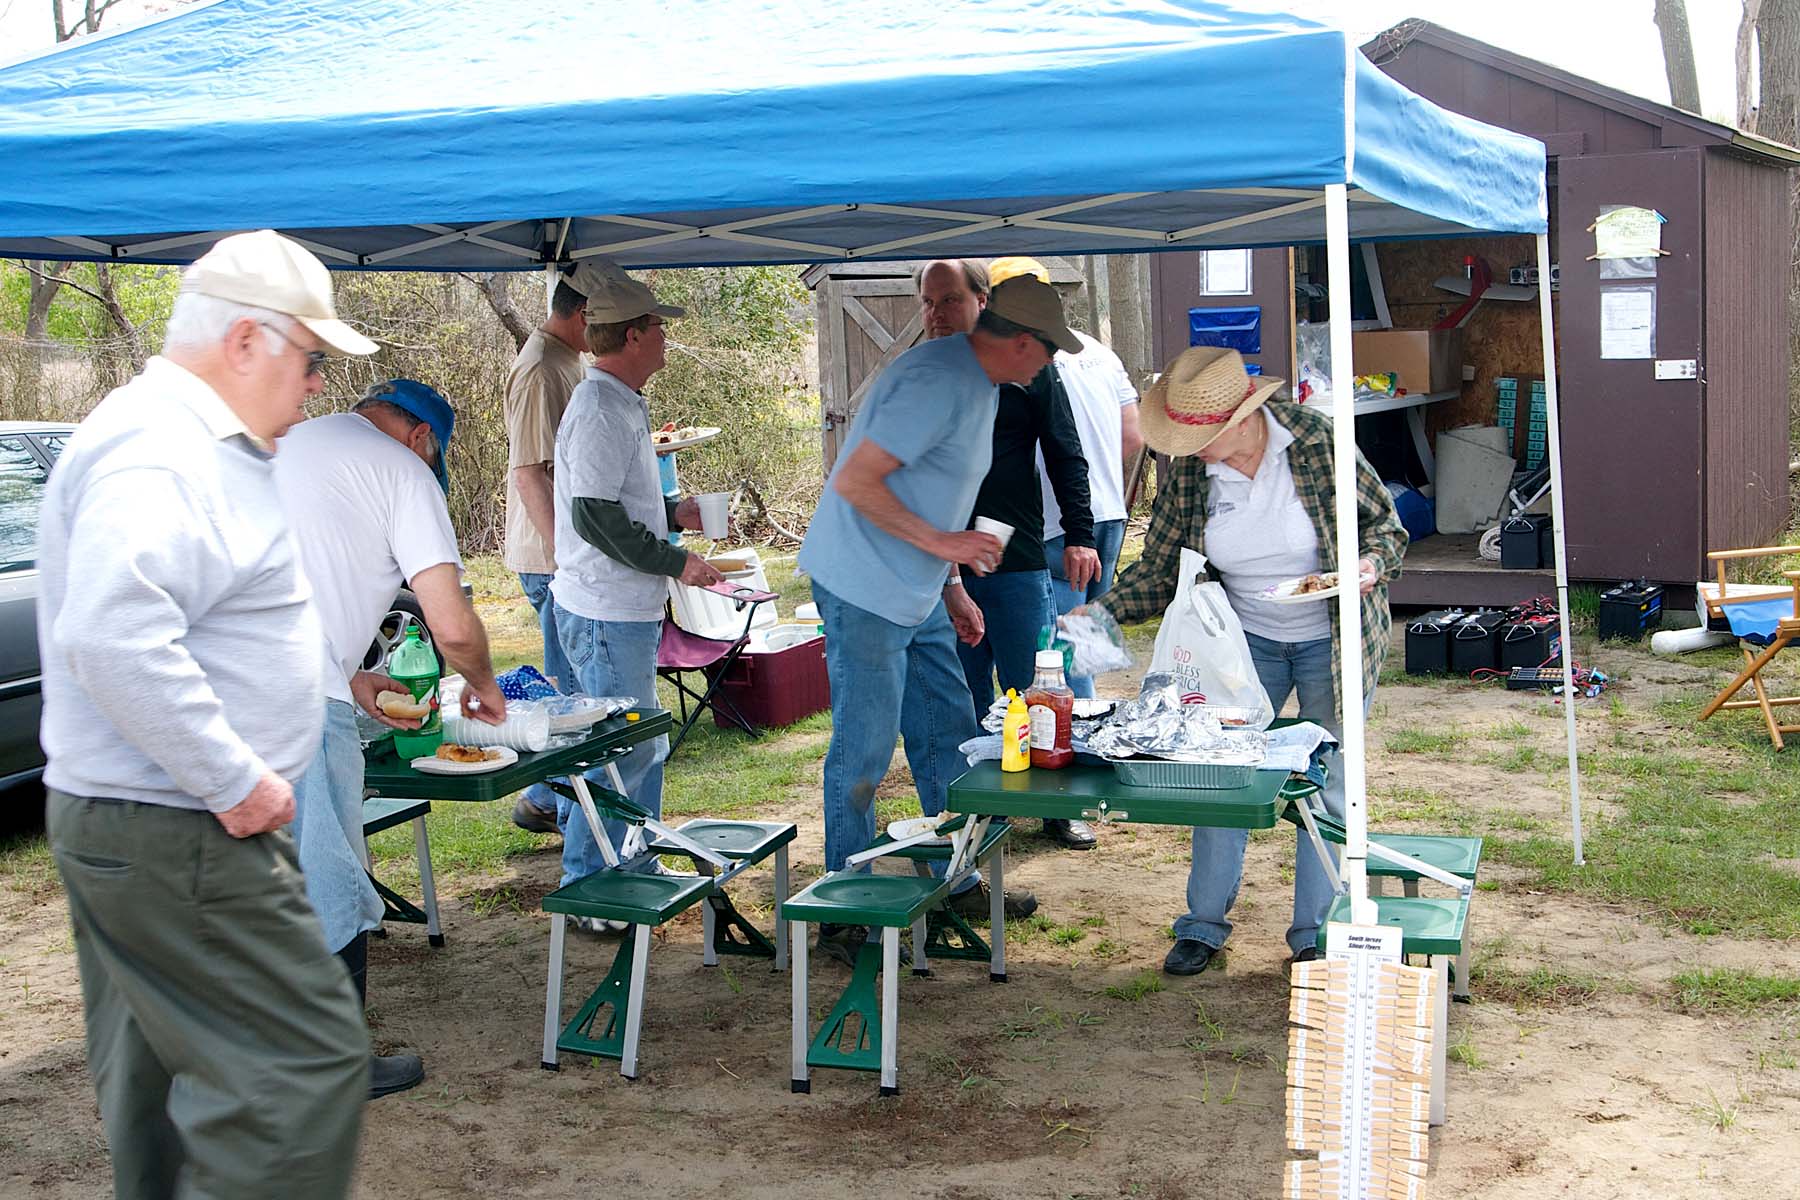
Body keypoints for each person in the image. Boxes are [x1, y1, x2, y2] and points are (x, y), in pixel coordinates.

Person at [36, 229, 374, 1199]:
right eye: (309, 358)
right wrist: (235, 781)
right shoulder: (163, 450)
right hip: (179, 826)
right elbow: (113, 635)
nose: (316, 384)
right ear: (245, 341)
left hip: (135, 821)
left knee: (153, 1080)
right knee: (300, 1067)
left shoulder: (177, 438)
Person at [1090, 346, 1407, 977]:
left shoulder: (1317, 441)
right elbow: (1159, 567)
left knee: (1327, 783)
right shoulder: (1192, 473)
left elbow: (1386, 529)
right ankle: (1202, 925)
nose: (1191, 449)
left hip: (1332, 636)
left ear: (1243, 419)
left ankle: (1315, 933)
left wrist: (1369, 566)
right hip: (1240, 641)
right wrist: (1099, 614)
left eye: (1200, 436)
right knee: (1218, 772)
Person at [797, 273, 1085, 964]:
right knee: (864, 752)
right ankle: (845, 906)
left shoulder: (982, 382)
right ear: (1021, 341)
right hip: (864, 586)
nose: (1049, 366)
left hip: (917, 586)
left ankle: (954, 878)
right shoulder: (935, 380)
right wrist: (944, 544)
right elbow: (856, 480)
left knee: (949, 735)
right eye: (1048, 351)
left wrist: (950, 584)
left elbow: (933, 490)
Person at [275, 378, 509, 1098]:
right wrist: (483, 683)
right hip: (290, 701)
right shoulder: (402, 469)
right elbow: (452, 624)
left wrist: (351, 676)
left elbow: (289, 587)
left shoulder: (290, 439)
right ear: (422, 438)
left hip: (222, 686)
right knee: (327, 875)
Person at [548, 268, 723, 927]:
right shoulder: (599, 407)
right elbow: (595, 516)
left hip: (619, 606)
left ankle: (633, 865)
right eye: (657, 326)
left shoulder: (620, 400)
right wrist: (679, 561)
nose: (665, 337)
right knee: (615, 750)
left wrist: (676, 515)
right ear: (632, 336)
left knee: (636, 744)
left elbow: (616, 502)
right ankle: (592, 887)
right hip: (603, 608)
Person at [919, 257, 1101, 852]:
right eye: (928, 303)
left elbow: (1065, 452)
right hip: (939, 565)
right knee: (962, 696)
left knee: (1037, 686)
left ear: (982, 302)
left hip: (1015, 558)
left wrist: (1080, 534)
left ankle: (1056, 807)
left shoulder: (1029, 366)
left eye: (949, 300)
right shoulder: (920, 374)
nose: (936, 314)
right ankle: (981, 815)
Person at [504, 260, 624, 835]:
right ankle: (562, 809)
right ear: (583, 313)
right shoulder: (539, 369)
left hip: (567, 555)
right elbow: (529, 473)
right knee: (571, 698)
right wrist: (565, 559)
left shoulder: (567, 360)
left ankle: (546, 801)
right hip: (551, 558)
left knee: (571, 693)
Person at [1038, 323, 1144, 698]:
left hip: (1057, 517)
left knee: (1063, 651)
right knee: (1085, 641)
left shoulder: (1024, 353)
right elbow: (1133, 434)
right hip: (1108, 511)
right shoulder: (1100, 352)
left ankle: (1076, 723)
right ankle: (1090, 713)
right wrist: (1096, 471)